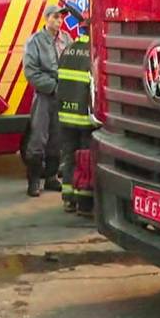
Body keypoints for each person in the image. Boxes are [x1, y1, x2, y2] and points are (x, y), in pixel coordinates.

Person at [23, 4, 70, 197]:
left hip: (62, 98)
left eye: (61, 18)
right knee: (37, 140)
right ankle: (34, 181)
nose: (59, 21)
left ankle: (51, 178)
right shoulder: (35, 41)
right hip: (44, 97)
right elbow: (31, 72)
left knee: (56, 140)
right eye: (55, 17)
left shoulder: (67, 39)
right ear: (46, 18)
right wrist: (54, 87)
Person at [57, 23, 95, 214]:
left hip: (65, 114)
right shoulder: (94, 52)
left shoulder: (68, 49)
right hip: (85, 116)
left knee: (68, 157)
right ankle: (84, 201)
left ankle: (68, 198)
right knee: (86, 159)